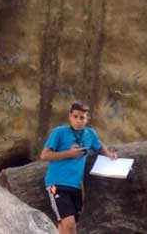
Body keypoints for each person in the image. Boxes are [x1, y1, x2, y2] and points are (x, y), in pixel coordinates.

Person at [39, 100, 118, 234]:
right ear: (70, 116)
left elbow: (98, 145)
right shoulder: (59, 132)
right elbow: (44, 155)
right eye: (75, 116)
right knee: (69, 225)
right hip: (56, 183)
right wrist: (68, 153)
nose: (78, 120)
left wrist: (110, 154)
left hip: (75, 186)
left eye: (82, 117)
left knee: (66, 226)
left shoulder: (90, 134)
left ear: (87, 119)